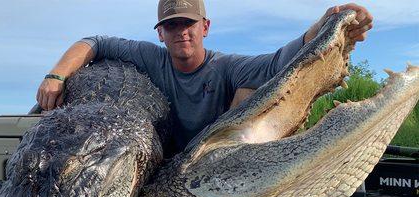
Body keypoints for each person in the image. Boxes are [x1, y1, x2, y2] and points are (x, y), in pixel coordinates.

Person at [36, 0, 373, 153]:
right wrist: (56, 75)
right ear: (161, 34)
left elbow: (277, 63)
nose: (181, 32)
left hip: (211, 161)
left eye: (188, 24)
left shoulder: (225, 66)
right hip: (161, 161)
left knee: (250, 91)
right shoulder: (151, 57)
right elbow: (94, 41)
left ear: (205, 28)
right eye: (172, 25)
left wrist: (323, 27)